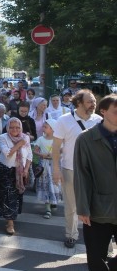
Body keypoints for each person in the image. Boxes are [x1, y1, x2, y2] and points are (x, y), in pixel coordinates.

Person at [52, 89, 102, 249]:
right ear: (79, 103)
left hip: (94, 172)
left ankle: (98, 238)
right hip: (70, 169)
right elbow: (56, 146)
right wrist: (56, 169)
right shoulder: (64, 120)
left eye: (94, 101)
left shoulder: (99, 120)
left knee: (96, 206)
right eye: (89, 101)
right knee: (71, 206)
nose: (93, 104)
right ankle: (71, 235)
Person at [74, 94, 117, 271]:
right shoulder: (86, 139)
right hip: (98, 211)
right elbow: (81, 175)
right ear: (103, 111)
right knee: (96, 259)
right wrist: (83, 207)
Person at [0, 118, 33, 235]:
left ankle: (12, 215)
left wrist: (26, 169)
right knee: (8, 194)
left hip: (20, 170)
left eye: (17, 127)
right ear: (7, 128)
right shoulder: (3, 137)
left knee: (17, 194)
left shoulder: (25, 137)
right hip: (6, 170)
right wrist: (19, 144)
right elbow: (7, 153)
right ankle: (10, 222)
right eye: (11, 127)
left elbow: (29, 155)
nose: (14, 130)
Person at [33, 119, 62, 219]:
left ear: (52, 129)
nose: (43, 128)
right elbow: (35, 150)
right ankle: (48, 208)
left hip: (55, 165)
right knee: (46, 186)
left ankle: (53, 201)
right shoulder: (41, 139)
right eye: (44, 126)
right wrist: (42, 155)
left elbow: (62, 151)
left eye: (45, 127)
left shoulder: (57, 139)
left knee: (54, 185)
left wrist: (55, 155)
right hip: (44, 166)